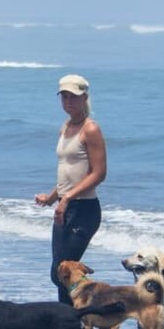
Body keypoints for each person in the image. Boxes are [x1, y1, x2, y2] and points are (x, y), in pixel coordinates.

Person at [35, 74, 107, 304]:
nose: (68, 102)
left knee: (64, 272)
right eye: (64, 97)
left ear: (84, 97)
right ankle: (68, 326)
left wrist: (67, 199)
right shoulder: (65, 128)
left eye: (73, 97)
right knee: (59, 273)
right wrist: (52, 197)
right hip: (65, 207)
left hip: (84, 209)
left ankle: (80, 320)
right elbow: (68, 172)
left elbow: (98, 173)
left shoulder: (91, 129)